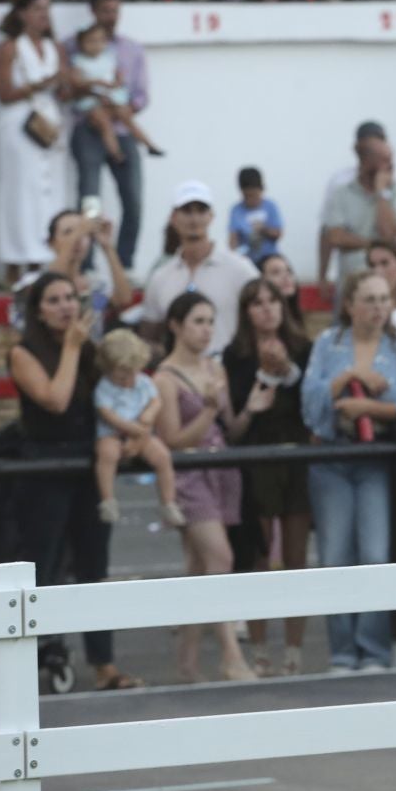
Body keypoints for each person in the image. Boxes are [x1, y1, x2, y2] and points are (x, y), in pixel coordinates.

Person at [8, 273, 140, 690]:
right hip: (44, 467)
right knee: (43, 567)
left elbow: (112, 398)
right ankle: (36, 659)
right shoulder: (24, 352)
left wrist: (127, 437)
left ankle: (104, 664)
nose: (66, 306)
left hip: (87, 464)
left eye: (70, 297)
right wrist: (70, 347)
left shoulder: (88, 349)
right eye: (54, 300)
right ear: (38, 311)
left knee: (93, 565)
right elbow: (55, 399)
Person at [301, 268, 396, 673]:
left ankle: (372, 650)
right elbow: (310, 404)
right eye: (369, 299)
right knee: (335, 557)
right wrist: (346, 380)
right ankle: (341, 652)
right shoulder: (327, 343)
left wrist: (369, 406)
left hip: (376, 460)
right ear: (350, 305)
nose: (378, 308)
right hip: (333, 458)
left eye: (384, 299)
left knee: (374, 554)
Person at [153, 292, 259, 683]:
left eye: (210, 321)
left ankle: (187, 661)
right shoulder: (165, 378)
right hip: (187, 475)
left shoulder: (216, 368)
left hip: (220, 469)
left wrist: (250, 409)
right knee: (220, 557)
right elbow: (174, 438)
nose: (206, 329)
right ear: (176, 326)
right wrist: (211, 408)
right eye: (198, 321)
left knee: (199, 567)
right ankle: (231, 656)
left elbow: (229, 427)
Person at [224, 276, 314, 677]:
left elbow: (311, 405)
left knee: (296, 558)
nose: (266, 309)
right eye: (256, 302)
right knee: (259, 557)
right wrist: (264, 376)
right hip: (256, 461)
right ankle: (259, 650)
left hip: (295, 457)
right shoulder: (236, 355)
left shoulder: (303, 348)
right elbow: (238, 418)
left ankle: (294, 651)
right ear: (246, 312)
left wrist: (288, 372)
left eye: (272, 301)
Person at [64, 0, 152, 267]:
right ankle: (86, 265)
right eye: (105, 10)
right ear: (93, 11)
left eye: (115, 10)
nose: (111, 17)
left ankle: (125, 264)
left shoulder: (131, 49)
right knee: (90, 201)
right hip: (88, 128)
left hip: (122, 129)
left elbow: (140, 95)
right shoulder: (70, 47)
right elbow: (64, 90)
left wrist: (118, 108)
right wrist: (91, 97)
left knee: (133, 201)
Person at [0, 0, 67, 286]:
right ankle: (14, 261)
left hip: (48, 123)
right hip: (20, 123)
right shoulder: (10, 48)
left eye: (47, 9)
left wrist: (66, 84)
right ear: (22, 13)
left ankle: (42, 257)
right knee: (19, 192)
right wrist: (38, 85)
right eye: (37, 9)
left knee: (49, 192)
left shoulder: (54, 48)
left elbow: (63, 90)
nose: (43, 15)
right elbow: (3, 93)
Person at [142, 182, 262, 351]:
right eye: (187, 211)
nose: (194, 218)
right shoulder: (160, 277)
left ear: (211, 216)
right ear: (173, 217)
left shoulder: (240, 269)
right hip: (179, 374)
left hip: (229, 371)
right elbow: (149, 334)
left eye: (201, 210)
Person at [91, 328, 183, 529]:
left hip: (142, 432)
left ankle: (168, 501)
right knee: (106, 454)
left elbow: (155, 401)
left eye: (133, 373)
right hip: (113, 433)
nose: (130, 381)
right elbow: (108, 415)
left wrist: (148, 416)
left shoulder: (143, 382)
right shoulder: (104, 388)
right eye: (123, 377)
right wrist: (134, 429)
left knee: (162, 457)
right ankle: (108, 500)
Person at [64, 22, 163, 195]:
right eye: (91, 41)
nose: (96, 45)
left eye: (99, 41)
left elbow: (126, 84)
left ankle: (148, 144)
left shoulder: (111, 56)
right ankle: (116, 153)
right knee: (90, 194)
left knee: (127, 118)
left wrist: (115, 88)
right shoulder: (78, 60)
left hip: (115, 107)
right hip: (91, 111)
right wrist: (95, 85)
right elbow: (73, 84)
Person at [24, 209, 133, 340]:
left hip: (90, 355)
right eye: (68, 232)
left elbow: (123, 299)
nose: (78, 240)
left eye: (85, 234)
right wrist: (79, 232)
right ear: (51, 243)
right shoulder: (31, 281)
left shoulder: (95, 283)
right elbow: (50, 283)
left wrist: (107, 246)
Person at [322, 130, 396, 281]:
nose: (391, 165)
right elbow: (335, 236)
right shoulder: (342, 193)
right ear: (366, 161)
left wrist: (381, 194)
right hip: (352, 279)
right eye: (384, 160)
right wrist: (373, 243)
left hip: (391, 281)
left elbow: (390, 234)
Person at [230, 166, 284, 263]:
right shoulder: (236, 210)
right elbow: (233, 239)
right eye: (247, 196)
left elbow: (279, 233)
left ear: (262, 189)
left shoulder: (270, 206)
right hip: (246, 259)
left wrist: (264, 230)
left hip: (269, 257)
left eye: (254, 195)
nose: (251, 200)